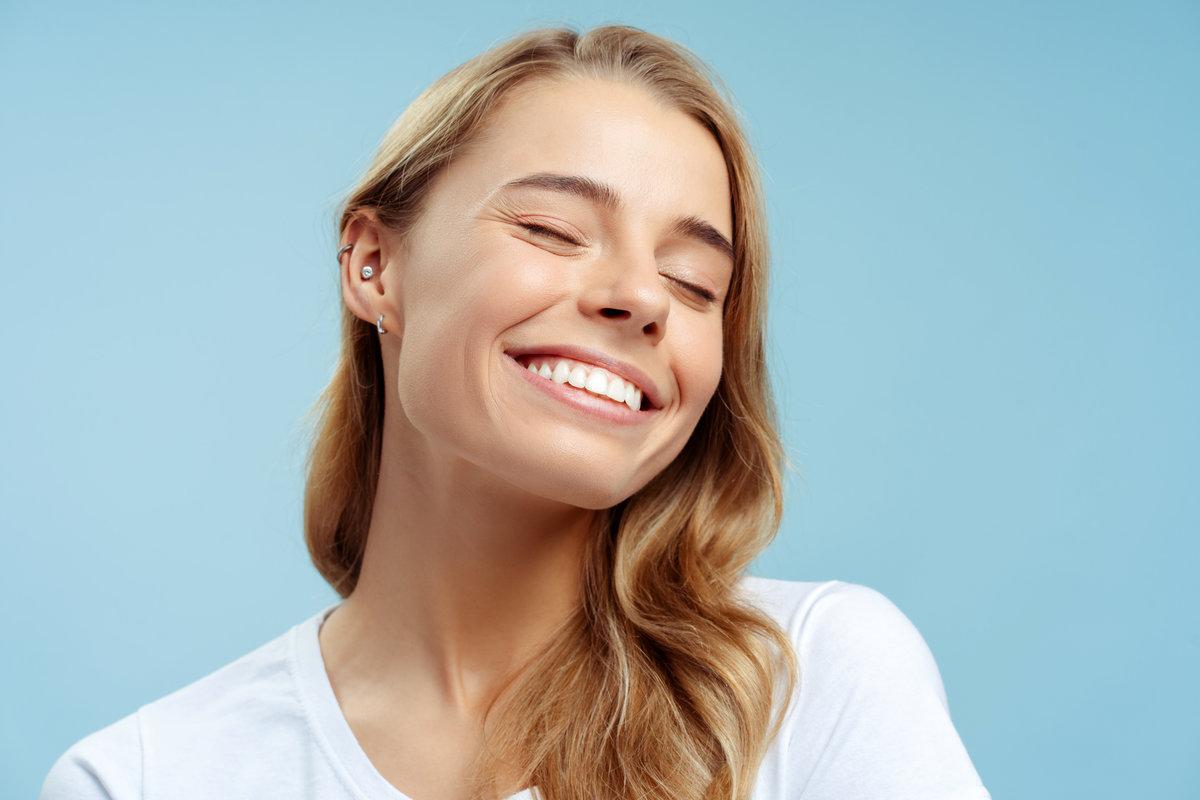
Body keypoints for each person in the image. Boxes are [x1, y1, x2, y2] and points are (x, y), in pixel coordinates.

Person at [38, 23, 990, 800]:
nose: (643, 297)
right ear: (376, 266)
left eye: (696, 282)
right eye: (552, 230)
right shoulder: (144, 778)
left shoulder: (811, 683)